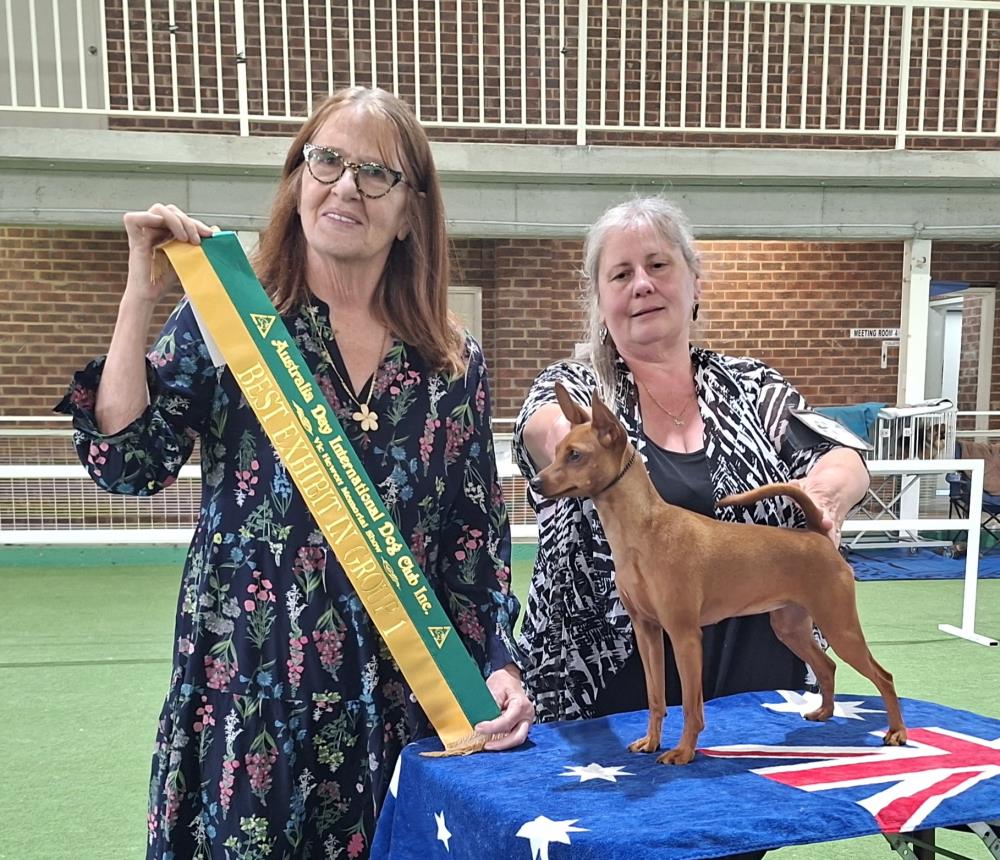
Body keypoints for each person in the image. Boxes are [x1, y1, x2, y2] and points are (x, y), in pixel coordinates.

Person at [57, 86, 532, 859]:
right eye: (328, 161)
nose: (346, 186)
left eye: (376, 173)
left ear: (409, 213)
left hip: (397, 703)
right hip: (248, 695)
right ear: (298, 180)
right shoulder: (230, 319)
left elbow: (472, 542)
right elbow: (128, 463)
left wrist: (497, 663)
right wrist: (140, 291)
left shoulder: (451, 360)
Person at [513, 195, 870, 726]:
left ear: (695, 282)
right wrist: (575, 444)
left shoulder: (752, 385)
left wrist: (827, 492)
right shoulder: (578, 387)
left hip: (762, 690)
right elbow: (545, 427)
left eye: (658, 265)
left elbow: (841, 454)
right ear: (600, 300)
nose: (642, 284)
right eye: (621, 274)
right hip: (603, 701)